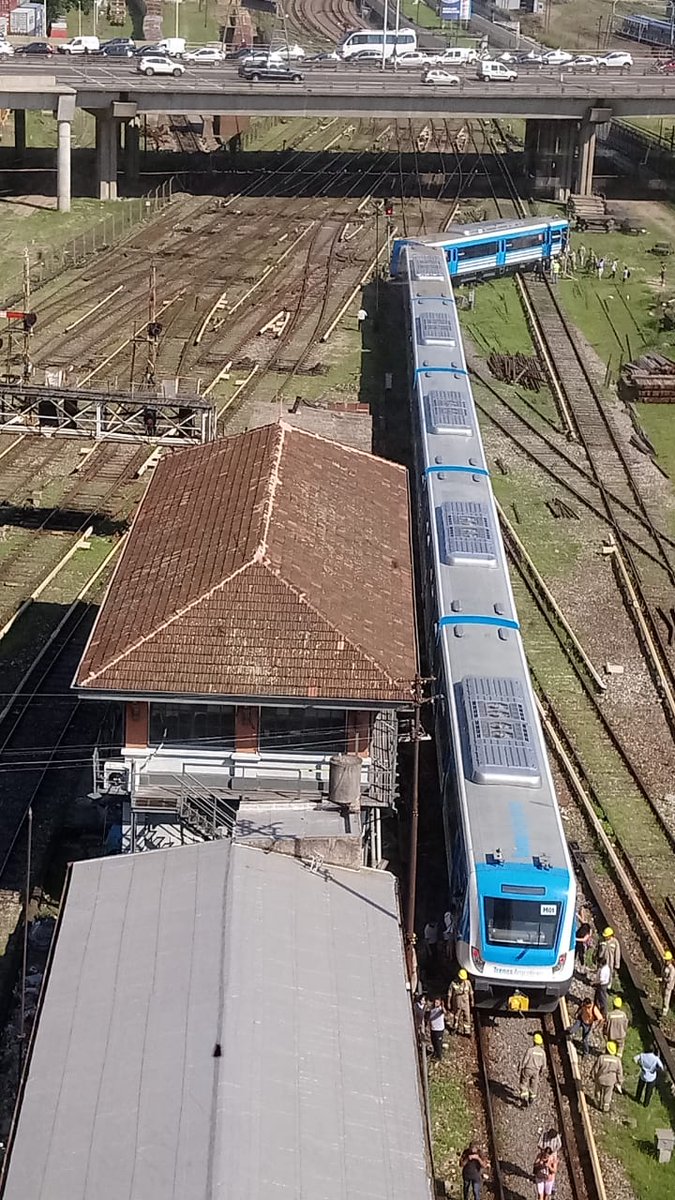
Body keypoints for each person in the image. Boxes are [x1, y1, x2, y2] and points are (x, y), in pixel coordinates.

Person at [591, 1041, 623, 1112]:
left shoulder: (601, 1058)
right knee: (608, 1094)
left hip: (600, 1079)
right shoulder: (617, 1061)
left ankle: (597, 1104)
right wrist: (619, 1082)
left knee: (598, 1091)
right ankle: (605, 1107)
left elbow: (596, 1068)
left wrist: (594, 1076)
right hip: (610, 1081)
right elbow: (619, 1073)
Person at [518, 1032, 546, 1106]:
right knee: (534, 1085)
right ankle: (532, 1097)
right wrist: (541, 1072)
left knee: (524, 1082)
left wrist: (521, 1067)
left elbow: (525, 1060)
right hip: (536, 1071)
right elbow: (544, 1065)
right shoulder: (543, 1053)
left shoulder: (530, 1050)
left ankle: (524, 1096)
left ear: (534, 1041)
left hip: (528, 1069)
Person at [448, 969, 473, 1036]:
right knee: (456, 1016)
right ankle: (455, 1028)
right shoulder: (453, 983)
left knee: (467, 1016)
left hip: (466, 1003)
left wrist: (472, 1001)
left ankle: (467, 1031)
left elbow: (471, 992)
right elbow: (449, 994)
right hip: (457, 1003)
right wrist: (448, 1003)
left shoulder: (468, 983)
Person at [661, 949, 675, 1018]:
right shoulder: (664, 966)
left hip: (668, 986)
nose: (665, 961)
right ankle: (662, 1009)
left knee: (666, 998)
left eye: (667, 960)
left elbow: (670, 979)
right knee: (663, 996)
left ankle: (665, 1012)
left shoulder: (672, 969)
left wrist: (664, 979)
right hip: (663, 984)